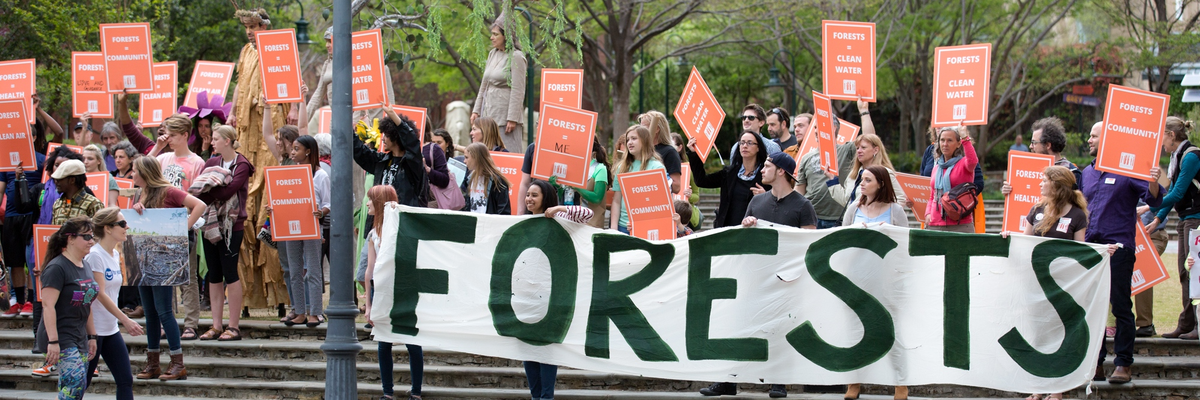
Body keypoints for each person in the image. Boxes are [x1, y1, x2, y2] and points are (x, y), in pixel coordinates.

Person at [1008, 166, 1115, 400]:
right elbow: (1025, 243)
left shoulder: (1077, 215)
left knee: (1060, 336)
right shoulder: (1036, 210)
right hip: (1036, 284)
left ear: (1057, 185)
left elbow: (1080, 251)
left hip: (1063, 288)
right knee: (1038, 335)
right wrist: (1008, 237)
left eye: (1044, 180)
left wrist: (1102, 251)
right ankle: (1037, 390)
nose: (1040, 184)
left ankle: (1057, 391)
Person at [1081, 121, 1163, 384]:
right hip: (1092, 251)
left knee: (1120, 306)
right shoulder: (1087, 173)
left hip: (1119, 249)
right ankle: (1095, 364)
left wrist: (1153, 180)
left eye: (1094, 136)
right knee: (1092, 308)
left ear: (1108, 139)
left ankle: (1123, 364)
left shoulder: (1128, 171)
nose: (1089, 140)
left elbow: (1155, 199)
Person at [728, 152, 814, 399]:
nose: (761, 170)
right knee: (740, 327)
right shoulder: (757, 202)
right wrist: (747, 227)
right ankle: (728, 380)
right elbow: (743, 239)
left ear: (781, 171)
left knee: (780, 330)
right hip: (756, 276)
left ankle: (778, 382)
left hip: (786, 280)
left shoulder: (803, 206)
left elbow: (808, 244)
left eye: (767, 166)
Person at [229, 8, 294, 311]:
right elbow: (240, 84)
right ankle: (248, 295)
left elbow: (289, 82)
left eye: (254, 26)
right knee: (245, 211)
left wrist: (293, 107)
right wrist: (232, 111)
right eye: (246, 27)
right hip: (246, 136)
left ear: (265, 26)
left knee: (268, 206)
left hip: (269, 129)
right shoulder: (245, 52)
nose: (249, 31)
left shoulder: (278, 48)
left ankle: (280, 294)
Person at [130, 156, 207, 381]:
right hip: (144, 256)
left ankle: (177, 362)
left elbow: (199, 205)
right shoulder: (139, 193)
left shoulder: (168, 191)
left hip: (164, 258)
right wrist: (137, 209)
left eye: (134, 171)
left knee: (164, 310)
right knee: (150, 312)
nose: (132, 174)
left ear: (145, 173)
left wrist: (183, 229)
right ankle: (153, 362)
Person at [840, 165, 909, 400]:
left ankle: (901, 384)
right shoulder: (853, 209)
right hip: (856, 279)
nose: (862, 183)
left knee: (892, 331)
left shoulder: (895, 210)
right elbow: (841, 241)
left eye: (868, 180)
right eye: (862, 179)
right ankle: (853, 382)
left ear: (880, 184)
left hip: (885, 280)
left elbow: (904, 244)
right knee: (854, 331)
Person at [520, 179, 592, 400]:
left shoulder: (559, 221)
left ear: (546, 198)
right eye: (528, 194)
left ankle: (546, 397)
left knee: (546, 350)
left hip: (550, 298)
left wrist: (559, 209)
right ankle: (536, 396)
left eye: (534, 195)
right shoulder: (521, 223)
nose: (529, 199)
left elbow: (587, 214)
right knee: (528, 350)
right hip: (526, 298)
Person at [362, 185, 425, 400]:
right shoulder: (373, 234)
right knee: (383, 342)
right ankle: (387, 392)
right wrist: (368, 305)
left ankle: (416, 392)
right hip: (381, 293)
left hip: (403, 292)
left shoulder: (400, 230)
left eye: (371, 200)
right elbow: (369, 270)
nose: (367, 204)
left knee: (412, 342)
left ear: (380, 203)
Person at [192, 124, 254, 340]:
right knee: (214, 273)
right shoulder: (211, 162)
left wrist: (211, 189)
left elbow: (229, 191)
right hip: (210, 223)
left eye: (216, 139)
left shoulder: (242, 164)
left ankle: (234, 326)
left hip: (231, 225)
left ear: (227, 141)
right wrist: (212, 189)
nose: (212, 142)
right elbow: (199, 191)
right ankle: (216, 325)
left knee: (230, 271)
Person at [151, 114, 206, 340]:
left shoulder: (196, 162)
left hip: (183, 221)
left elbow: (198, 196)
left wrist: (187, 225)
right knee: (164, 276)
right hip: (160, 223)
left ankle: (191, 323)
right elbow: (142, 169)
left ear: (185, 135)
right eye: (167, 135)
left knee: (188, 276)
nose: (169, 139)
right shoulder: (163, 158)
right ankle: (167, 322)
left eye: (173, 135)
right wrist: (157, 147)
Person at [84, 208, 147, 400]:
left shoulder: (113, 254)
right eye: (122, 224)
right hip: (93, 330)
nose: (127, 227)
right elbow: (99, 294)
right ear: (108, 228)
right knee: (79, 384)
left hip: (110, 329)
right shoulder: (95, 255)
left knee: (125, 380)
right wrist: (125, 319)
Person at [271, 135, 330, 327]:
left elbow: (328, 203)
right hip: (291, 228)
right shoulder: (290, 174)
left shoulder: (320, 175)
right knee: (294, 270)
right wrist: (273, 208)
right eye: (293, 149)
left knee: (312, 270)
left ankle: (316, 312)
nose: (293, 153)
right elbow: (283, 197)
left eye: (297, 149)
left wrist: (321, 212)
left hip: (311, 227)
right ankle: (299, 311)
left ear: (308, 152)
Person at [38, 217, 100, 400]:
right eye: (86, 237)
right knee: (74, 383)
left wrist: (92, 336)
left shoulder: (85, 265)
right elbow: (48, 306)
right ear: (70, 239)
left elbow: (87, 303)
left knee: (78, 387)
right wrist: (53, 341)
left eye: (92, 236)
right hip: (60, 335)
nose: (91, 241)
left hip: (79, 335)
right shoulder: (57, 267)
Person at [1149, 117, 1199, 340]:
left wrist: (1149, 207)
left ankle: (1195, 323)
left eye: (1162, 137)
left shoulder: (1191, 157)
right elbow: (1172, 193)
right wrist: (1157, 218)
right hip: (1185, 219)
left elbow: (1177, 193)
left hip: (1196, 220)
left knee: (1193, 272)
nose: (1160, 142)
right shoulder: (1176, 157)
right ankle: (1187, 323)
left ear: (1171, 135)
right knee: (1184, 272)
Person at [262, 100, 304, 324]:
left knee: (301, 267)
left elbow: (303, 128)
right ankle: (295, 307)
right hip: (281, 221)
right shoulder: (282, 160)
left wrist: (302, 102)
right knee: (287, 267)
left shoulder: (300, 162)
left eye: (281, 139)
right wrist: (267, 108)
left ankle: (307, 307)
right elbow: (266, 134)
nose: (277, 142)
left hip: (300, 222)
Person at [689, 130, 768, 229]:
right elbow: (701, 181)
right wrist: (694, 153)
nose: (745, 146)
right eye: (742, 143)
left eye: (750, 143)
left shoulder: (766, 174)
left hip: (753, 230)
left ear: (758, 148)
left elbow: (778, 200)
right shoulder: (729, 173)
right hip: (727, 230)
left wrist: (765, 196)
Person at [0, 143, 45, 318]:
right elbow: (1, 189)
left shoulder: (41, 159)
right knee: (15, 261)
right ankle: (18, 301)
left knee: (31, 259)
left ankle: (31, 301)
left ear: (33, 137)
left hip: (31, 215)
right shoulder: (6, 161)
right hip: (10, 216)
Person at [472, 11, 527, 150]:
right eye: (492, 34)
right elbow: (484, 85)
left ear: (506, 36)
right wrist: (476, 110)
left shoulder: (516, 57)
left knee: (507, 152)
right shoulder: (493, 53)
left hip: (505, 116)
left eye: (495, 34)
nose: (491, 37)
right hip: (489, 114)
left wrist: (512, 118)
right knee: (489, 152)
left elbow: (518, 89)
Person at [353, 106, 427, 207]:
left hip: (402, 215)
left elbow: (411, 141)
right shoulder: (382, 161)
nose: (382, 139)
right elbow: (360, 152)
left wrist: (393, 116)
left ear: (396, 137)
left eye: (386, 135)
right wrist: (349, 129)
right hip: (381, 215)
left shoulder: (412, 164)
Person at [921, 126, 978, 232]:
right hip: (935, 223)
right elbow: (932, 196)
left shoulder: (963, 164)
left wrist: (965, 138)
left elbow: (973, 161)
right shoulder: (936, 167)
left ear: (958, 144)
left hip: (960, 224)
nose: (945, 144)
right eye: (942, 140)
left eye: (949, 140)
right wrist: (928, 213)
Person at [610, 125, 666, 233]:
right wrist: (613, 228)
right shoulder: (621, 167)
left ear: (645, 141)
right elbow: (616, 200)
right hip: (623, 227)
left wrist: (641, 224)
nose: (629, 142)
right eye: (628, 140)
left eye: (634, 138)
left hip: (647, 228)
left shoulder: (657, 167)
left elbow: (659, 203)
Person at [828, 133, 907, 207]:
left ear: (875, 150)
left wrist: (879, 213)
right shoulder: (854, 174)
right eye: (857, 148)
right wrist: (832, 180)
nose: (859, 151)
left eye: (863, 148)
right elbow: (846, 201)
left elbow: (900, 199)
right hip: (852, 217)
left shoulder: (885, 173)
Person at [461, 143, 512, 215]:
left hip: (489, 221)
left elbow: (504, 210)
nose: (464, 161)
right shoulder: (470, 179)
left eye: (466, 157)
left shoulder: (497, 181)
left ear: (476, 158)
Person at [639, 111, 683, 194]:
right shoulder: (640, 150)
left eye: (644, 127)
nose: (640, 131)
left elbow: (676, 187)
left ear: (657, 129)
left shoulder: (670, 152)